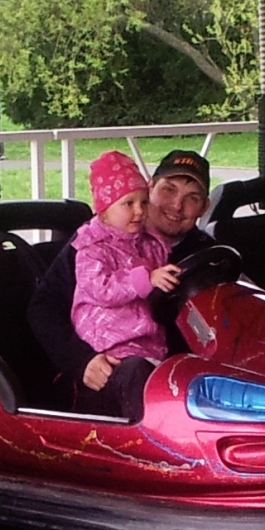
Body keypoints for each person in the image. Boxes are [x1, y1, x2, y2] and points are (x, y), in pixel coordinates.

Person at [28, 148, 215, 416]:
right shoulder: (95, 244)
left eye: (192, 198)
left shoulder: (210, 254)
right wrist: (82, 361)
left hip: (181, 373)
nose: (176, 205)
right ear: (151, 186)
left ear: (204, 207)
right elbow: (44, 307)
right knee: (136, 374)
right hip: (108, 368)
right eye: (168, 190)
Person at [66, 152, 182, 418]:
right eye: (128, 203)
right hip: (110, 346)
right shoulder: (91, 248)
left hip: (148, 343)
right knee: (136, 374)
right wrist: (147, 279)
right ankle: (143, 432)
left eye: (143, 202)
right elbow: (102, 288)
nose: (139, 211)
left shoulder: (150, 244)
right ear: (104, 211)